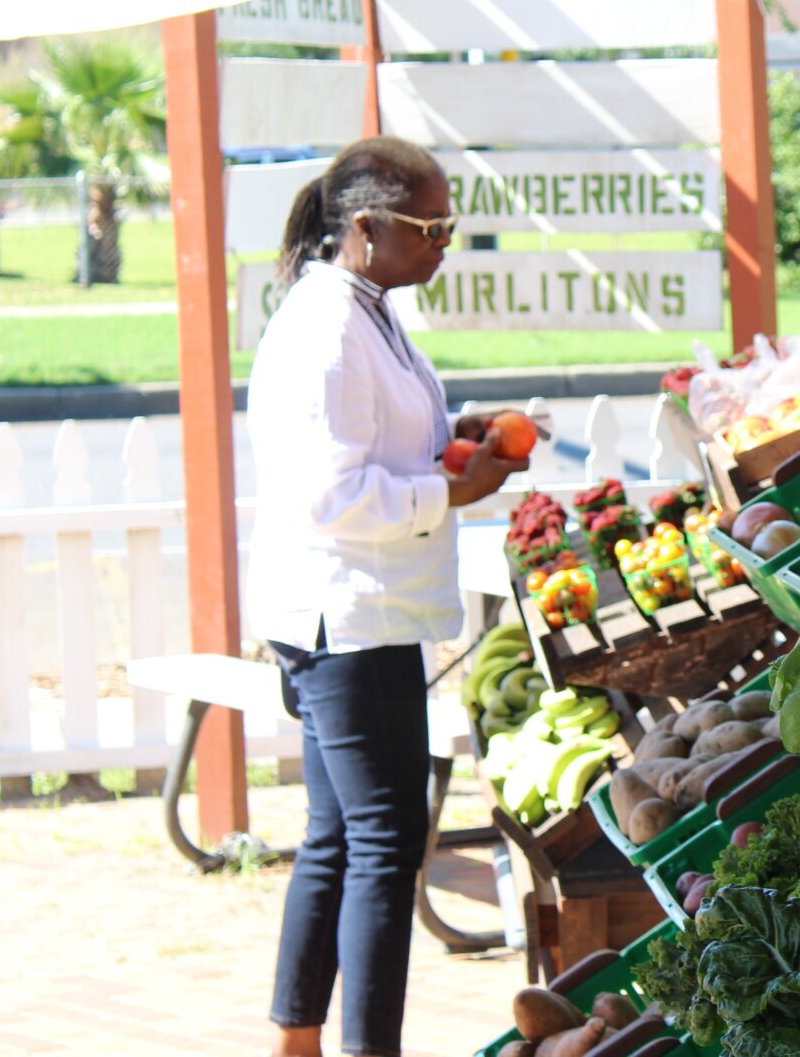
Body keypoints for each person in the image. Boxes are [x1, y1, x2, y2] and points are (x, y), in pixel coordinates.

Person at [246, 137, 528, 1057]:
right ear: (364, 229)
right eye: (429, 225)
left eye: (450, 223)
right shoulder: (329, 331)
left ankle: (297, 1038)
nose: (445, 239)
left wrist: (451, 443)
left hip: (351, 613)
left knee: (337, 837)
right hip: (346, 621)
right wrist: (450, 490)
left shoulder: (360, 306)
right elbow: (332, 498)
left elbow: (372, 445)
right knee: (384, 845)